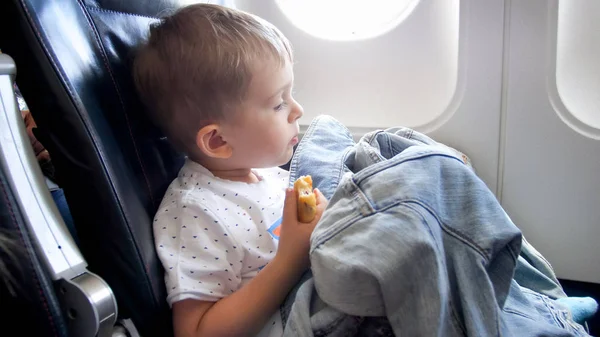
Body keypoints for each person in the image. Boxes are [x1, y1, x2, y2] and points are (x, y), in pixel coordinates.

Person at [132, 4, 327, 337]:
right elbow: (196, 331)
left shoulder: (267, 175)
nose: (297, 110)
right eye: (279, 103)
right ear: (219, 140)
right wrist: (289, 259)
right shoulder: (195, 210)